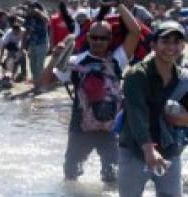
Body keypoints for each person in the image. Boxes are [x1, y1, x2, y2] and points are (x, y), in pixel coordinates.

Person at [39, 20, 138, 183]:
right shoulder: (74, 62)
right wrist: (54, 58)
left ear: (110, 39)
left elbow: (135, 31)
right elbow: (43, 83)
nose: (98, 41)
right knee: (71, 176)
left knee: (112, 177)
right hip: (80, 128)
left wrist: (118, 3)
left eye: (103, 38)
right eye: (94, 37)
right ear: (88, 38)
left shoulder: (118, 60)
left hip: (110, 129)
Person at [117, 21, 188, 197]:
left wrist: (183, 118)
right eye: (165, 41)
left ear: (183, 47)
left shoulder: (184, 79)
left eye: (177, 42)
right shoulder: (135, 75)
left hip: (170, 151)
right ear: (153, 45)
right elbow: (137, 115)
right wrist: (149, 150)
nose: (171, 47)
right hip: (134, 150)